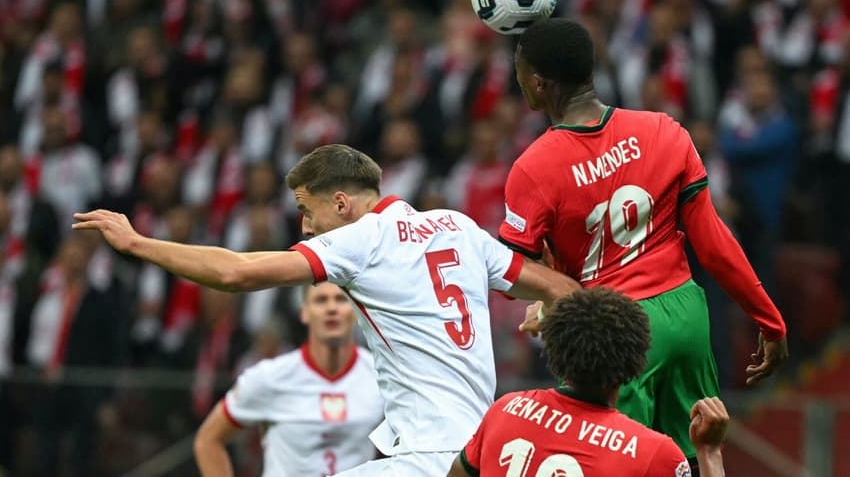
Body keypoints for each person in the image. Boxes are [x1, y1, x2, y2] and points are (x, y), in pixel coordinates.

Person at [73, 144, 581, 477]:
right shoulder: (459, 226)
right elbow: (564, 289)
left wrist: (138, 243)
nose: (305, 227)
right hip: (476, 454)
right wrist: (546, 308)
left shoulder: (363, 240)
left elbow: (236, 273)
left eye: (305, 210)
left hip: (424, 458)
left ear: (341, 203)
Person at [500, 18, 787, 472]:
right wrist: (768, 318)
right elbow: (712, 243)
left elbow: (511, 268)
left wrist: (552, 297)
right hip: (686, 317)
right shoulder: (664, 130)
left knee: (617, 465)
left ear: (537, 84)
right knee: (695, 456)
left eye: (519, 79)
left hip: (613, 333)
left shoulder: (533, 168)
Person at [447, 288, 730, 477]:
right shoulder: (654, 454)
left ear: (555, 349)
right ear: (635, 363)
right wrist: (709, 453)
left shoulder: (506, 411)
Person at [193, 282, 384, 477]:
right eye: (321, 300)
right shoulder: (271, 377)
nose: (331, 308)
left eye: (341, 299)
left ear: (355, 310)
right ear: (304, 312)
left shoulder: (381, 376)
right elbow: (208, 439)